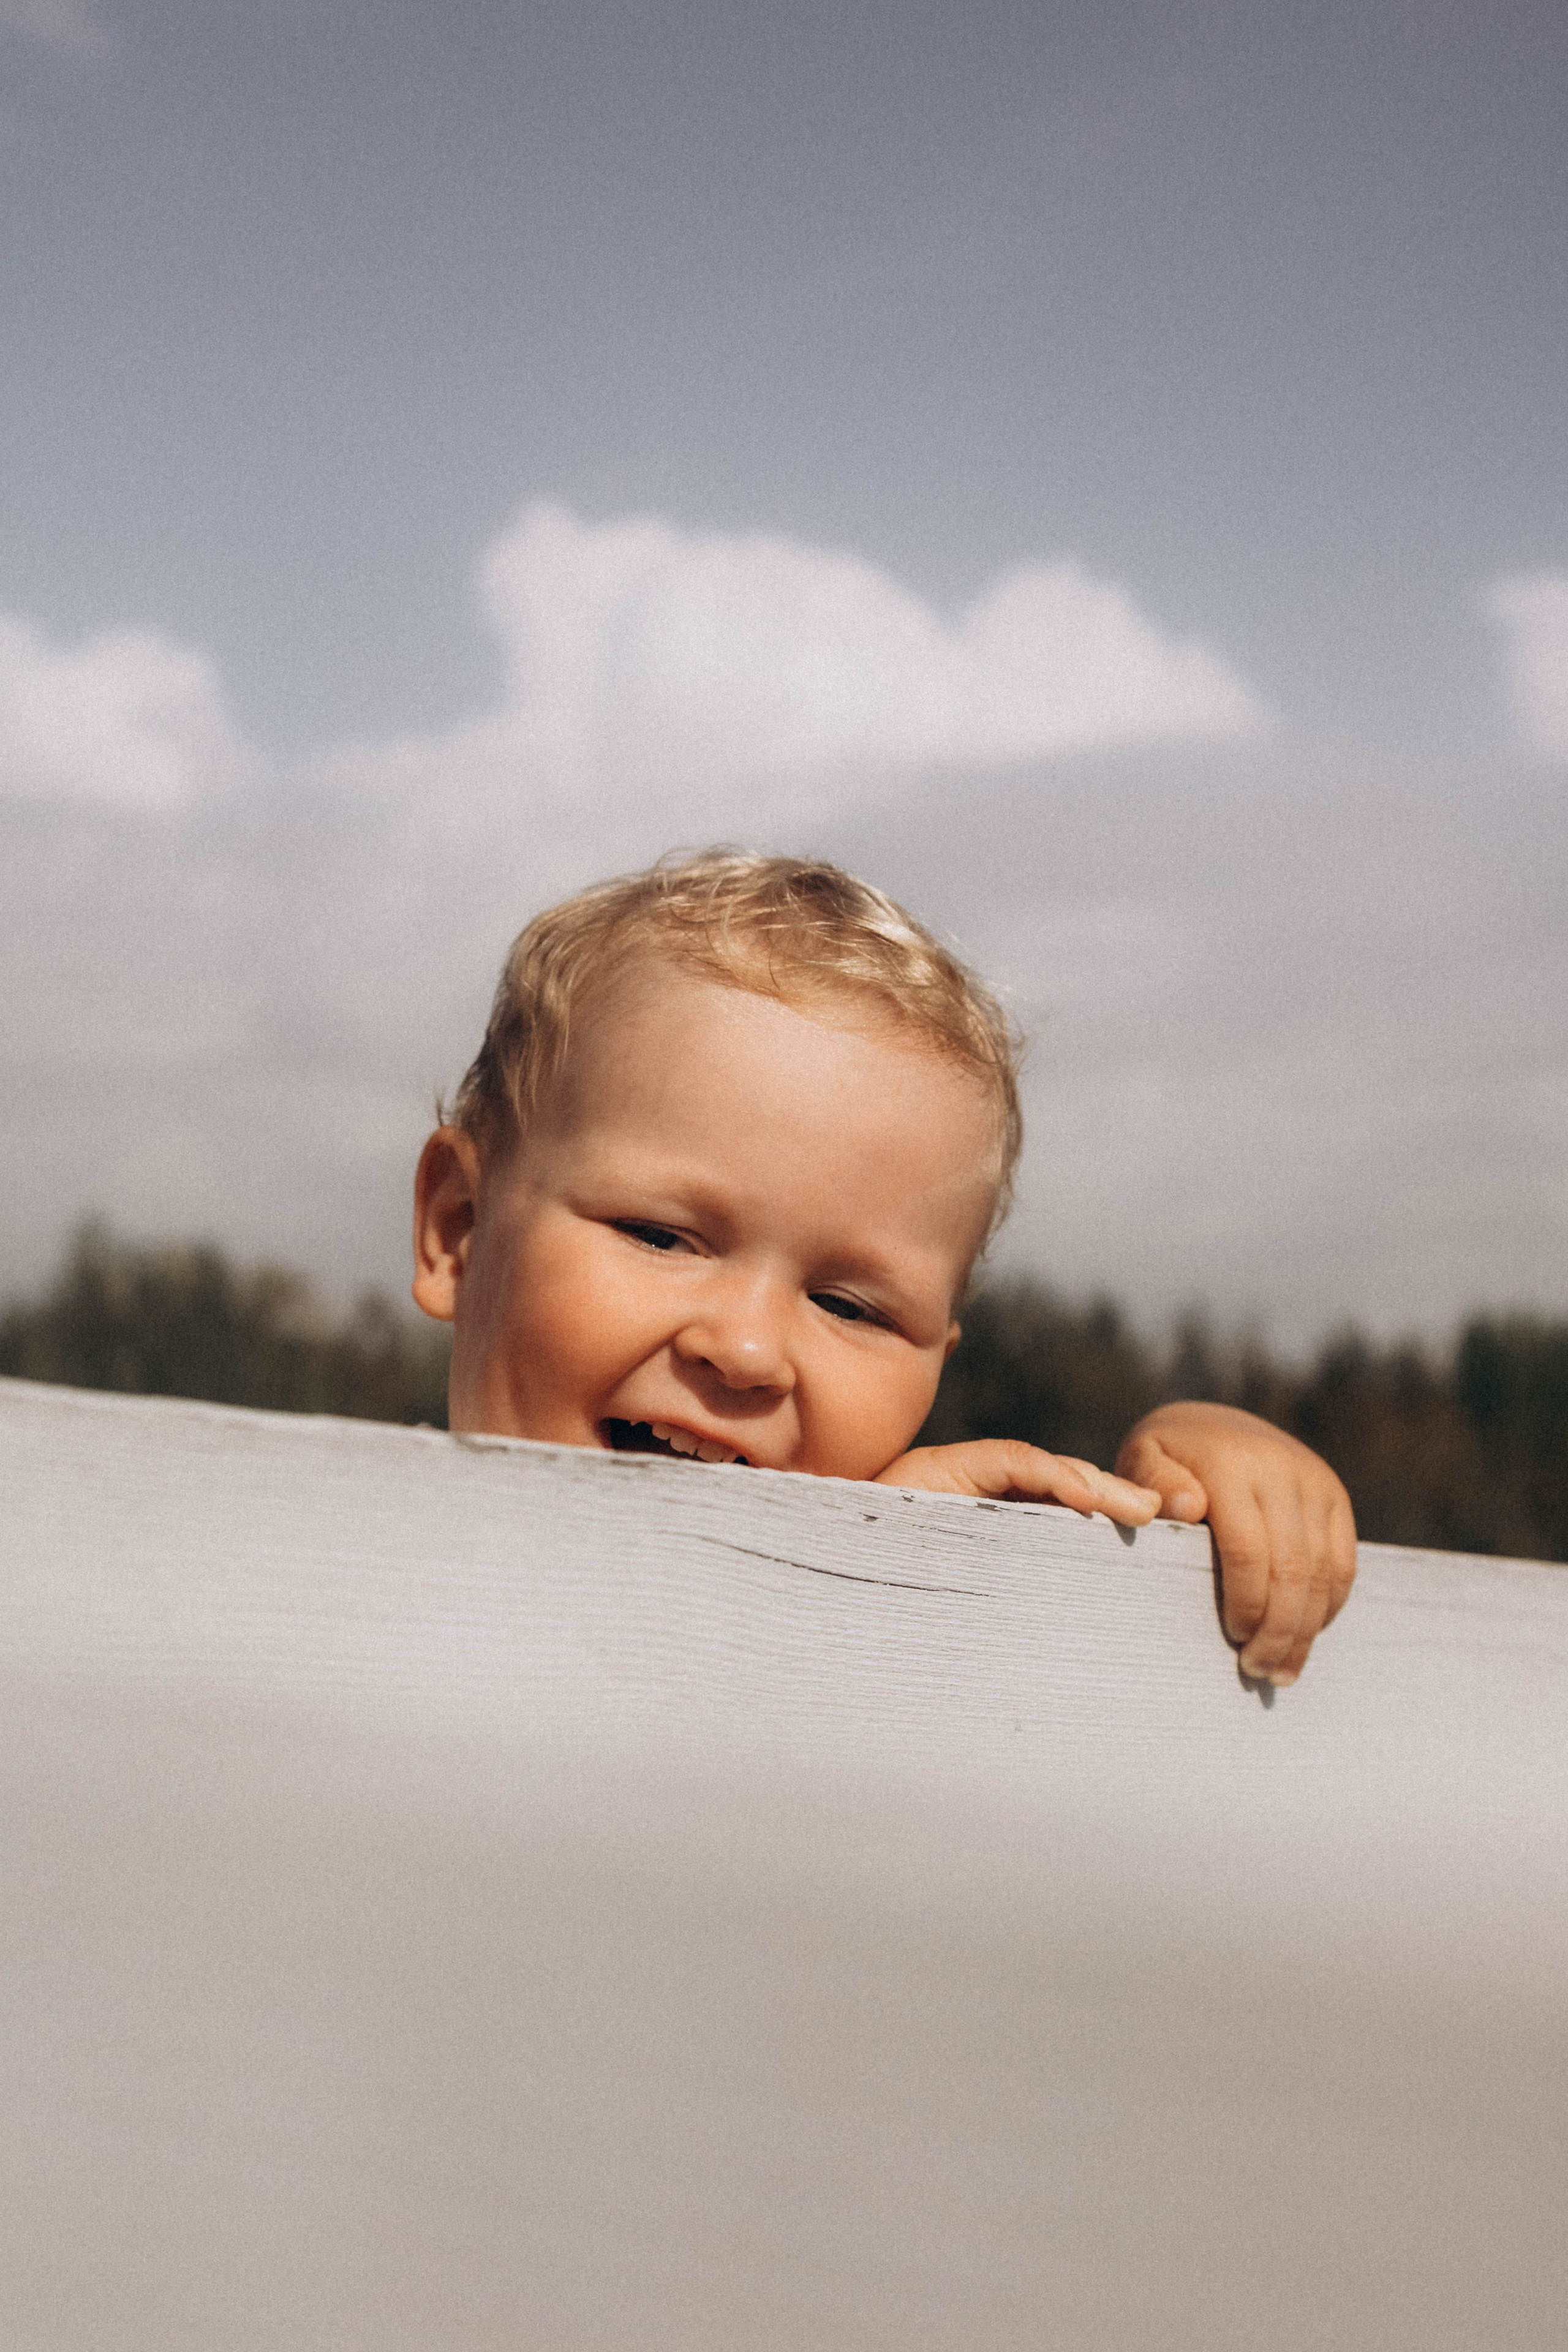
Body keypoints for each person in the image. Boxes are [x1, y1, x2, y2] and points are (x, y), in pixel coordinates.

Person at [412, 850, 1355, 1684]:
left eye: (848, 1306)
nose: (745, 1350)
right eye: (659, 1237)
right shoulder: (308, 1561)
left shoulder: (928, 1660)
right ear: (459, 1229)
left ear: (940, 1357)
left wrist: (890, 1575)